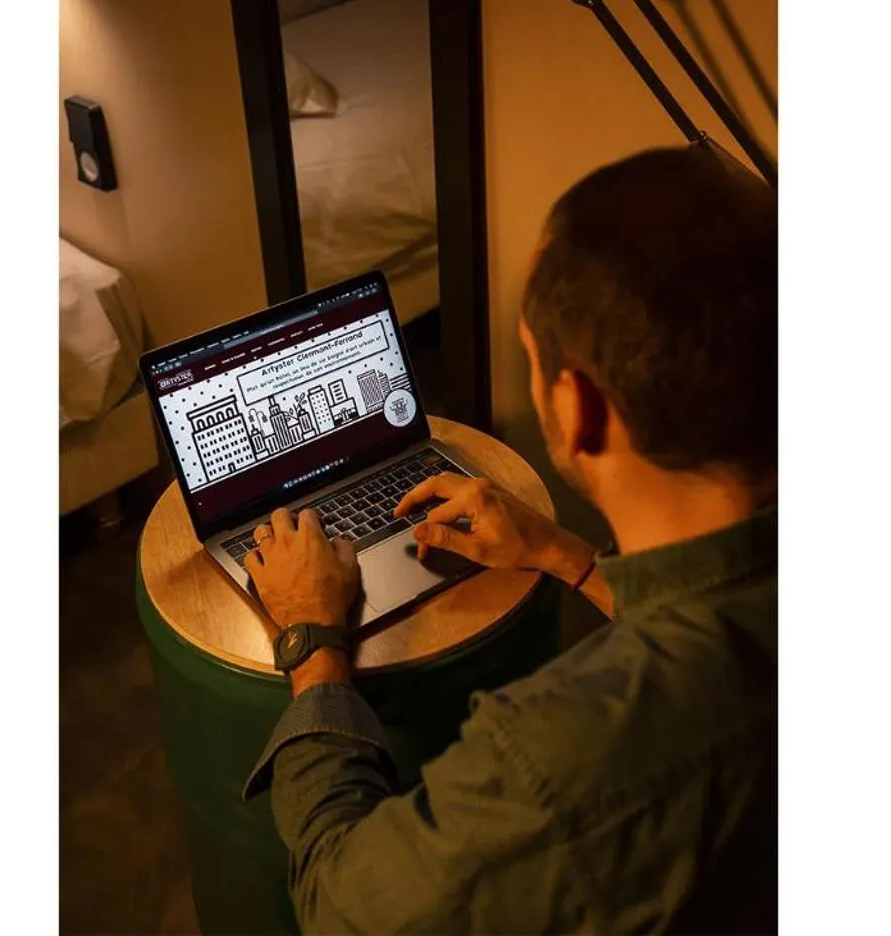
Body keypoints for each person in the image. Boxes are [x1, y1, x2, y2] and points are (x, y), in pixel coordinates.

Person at [240, 145, 777, 933]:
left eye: (531, 357)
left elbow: (339, 904)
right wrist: (565, 556)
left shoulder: (560, 753)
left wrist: (314, 638)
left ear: (576, 407)